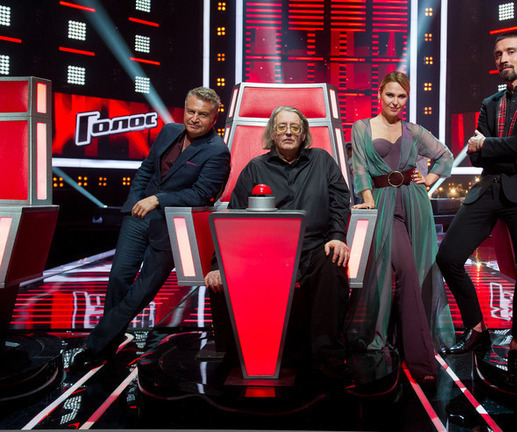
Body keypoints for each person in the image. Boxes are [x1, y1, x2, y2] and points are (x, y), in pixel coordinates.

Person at [436, 31, 517, 383]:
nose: (503, 59)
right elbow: (478, 155)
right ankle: (477, 328)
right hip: (488, 188)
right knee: (447, 257)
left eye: (511, 51)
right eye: (498, 54)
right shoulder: (490, 102)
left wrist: (490, 144)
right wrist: (501, 147)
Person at [70, 87, 231, 371]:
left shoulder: (217, 151)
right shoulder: (169, 131)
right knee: (119, 278)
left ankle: (96, 345)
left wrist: (157, 200)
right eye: (191, 111)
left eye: (202, 114)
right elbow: (146, 170)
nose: (194, 118)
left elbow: (202, 195)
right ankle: (105, 343)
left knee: (143, 290)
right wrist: (134, 202)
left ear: (214, 118)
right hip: (139, 216)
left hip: (172, 226)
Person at [204, 106, 351, 374]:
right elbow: (234, 218)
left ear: (304, 133)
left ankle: (326, 355)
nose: (288, 132)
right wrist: (218, 265)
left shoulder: (322, 160)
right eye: (282, 127)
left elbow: (340, 201)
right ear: (272, 132)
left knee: (332, 264)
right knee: (230, 276)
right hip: (266, 253)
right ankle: (244, 354)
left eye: (295, 127)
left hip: (313, 248)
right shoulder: (255, 168)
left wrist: (337, 236)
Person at [346, 71, 455, 382]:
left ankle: (408, 343)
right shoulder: (362, 127)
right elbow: (360, 167)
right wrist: (368, 200)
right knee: (397, 271)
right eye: (390, 94)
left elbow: (445, 156)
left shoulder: (413, 130)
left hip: (414, 203)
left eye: (402, 96)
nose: (395, 101)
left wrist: (429, 179)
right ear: (380, 94)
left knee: (416, 273)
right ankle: (416, 356)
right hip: (382, 204)